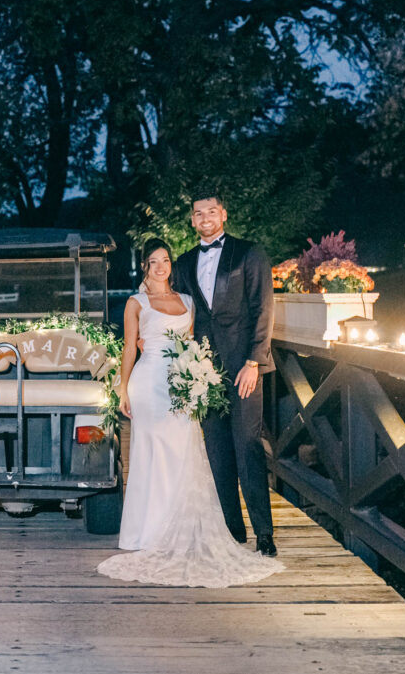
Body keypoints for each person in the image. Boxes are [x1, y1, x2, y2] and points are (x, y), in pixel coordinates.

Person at [96, 238, 282, 588]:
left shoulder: (186, 301)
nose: (162, 266)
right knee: (152, 454)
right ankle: (147, 532)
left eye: (165, 259)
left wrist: (199, 373)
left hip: (182, 382)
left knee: (183, 452)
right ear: (146, 266)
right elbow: (128, 349)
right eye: (154, 261)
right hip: (148, 383)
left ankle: (185, 525)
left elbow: (196, 341)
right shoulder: (135, 303)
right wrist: (122, 389)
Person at [173, 191, 278, 557]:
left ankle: (264, 532)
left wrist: (254, 362)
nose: (205, 218)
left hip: (243, 368)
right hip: (204, 372)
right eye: (198, 213)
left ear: (224, 214)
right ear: (192, 220)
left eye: (211, 211)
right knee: (217, 451)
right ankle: (233, 530)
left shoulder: (249, 253)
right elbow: (180, 315)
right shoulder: (184, 263)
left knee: (247, 447)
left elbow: (263, 310)